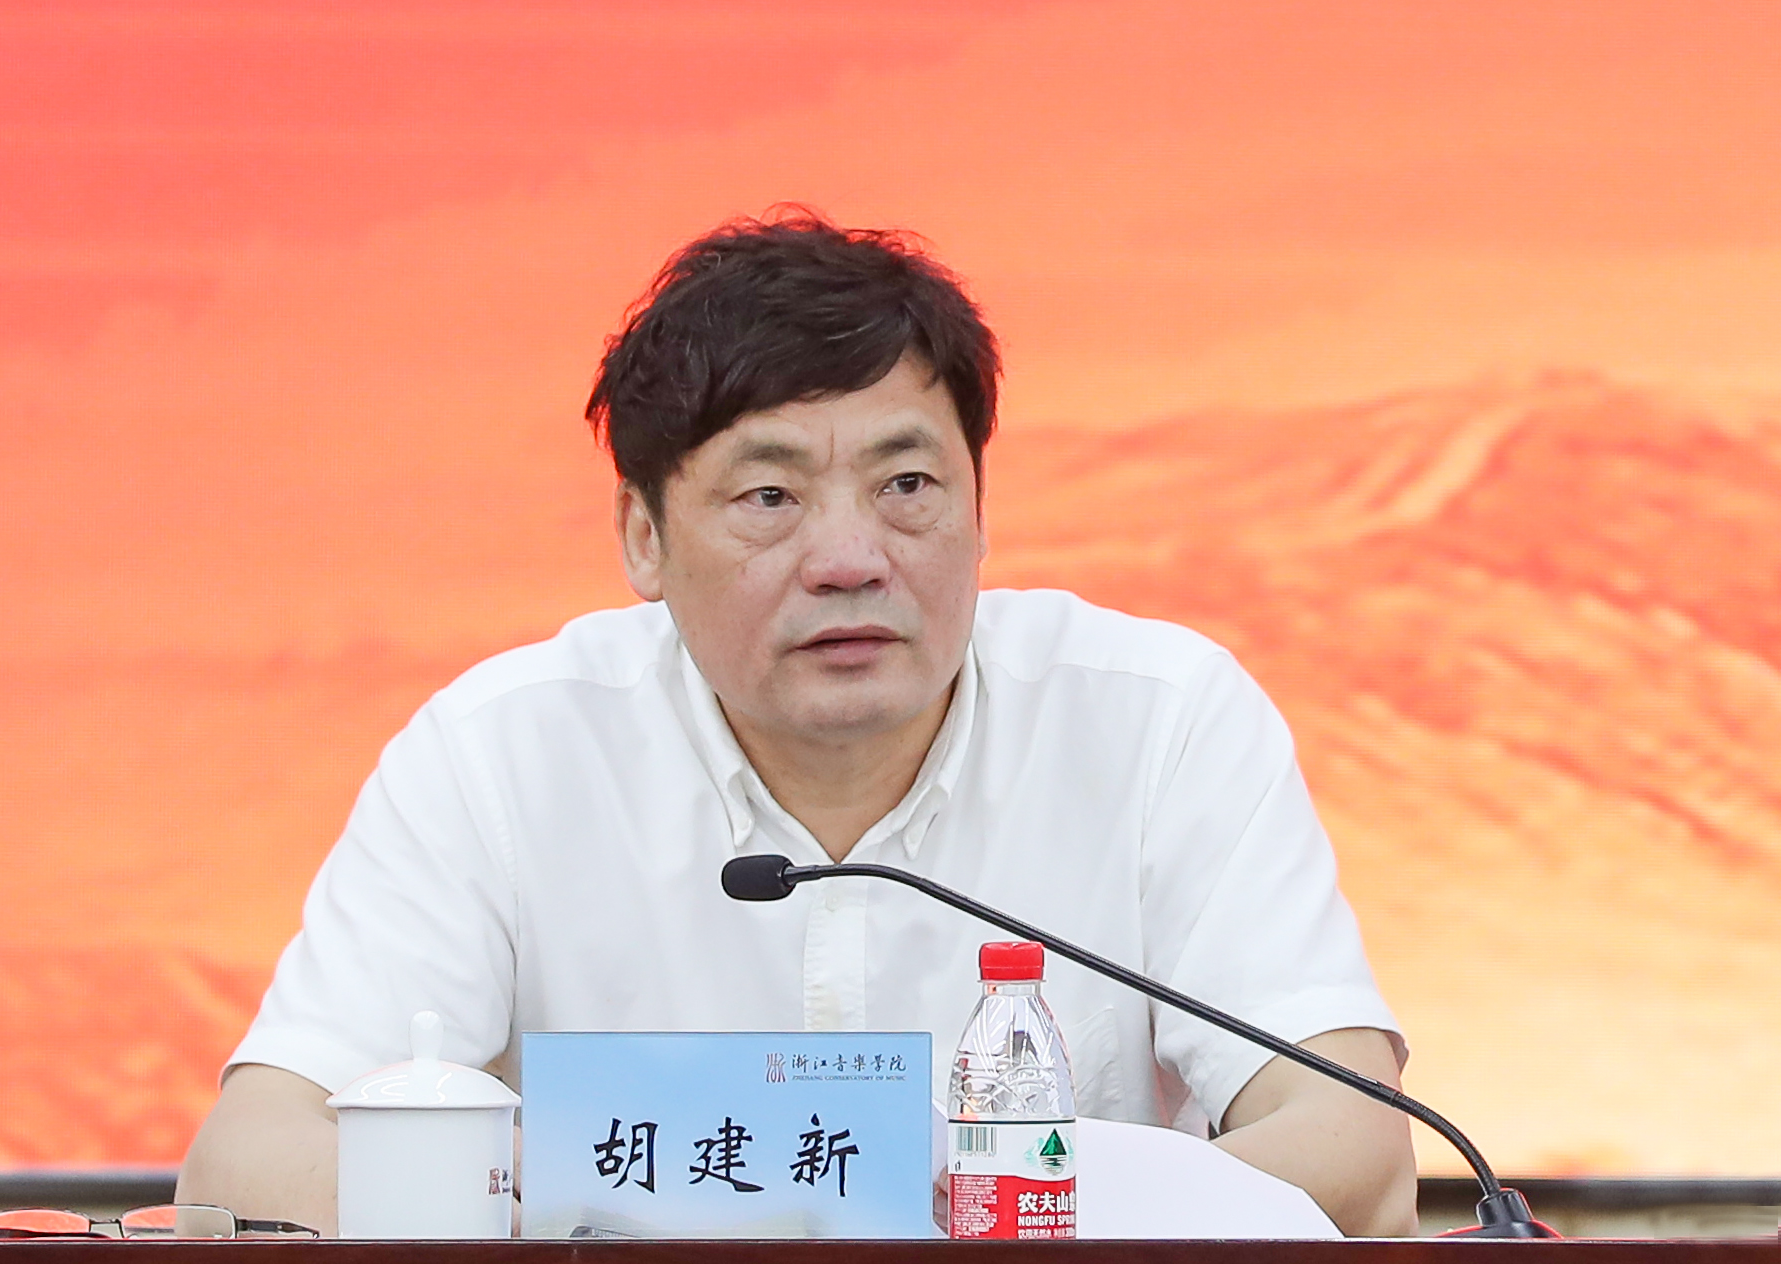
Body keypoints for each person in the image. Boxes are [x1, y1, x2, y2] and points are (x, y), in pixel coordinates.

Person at [177, 211, 1417, 1236]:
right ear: (643, 538)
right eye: (769, 495)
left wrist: (988, 1207)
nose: (848, 558)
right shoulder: (500, 754)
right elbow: (248, 1166)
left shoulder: (1158, 721)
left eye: (906, 485)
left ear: (981, 508)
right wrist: (597, 1198)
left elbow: (1352, 1142)